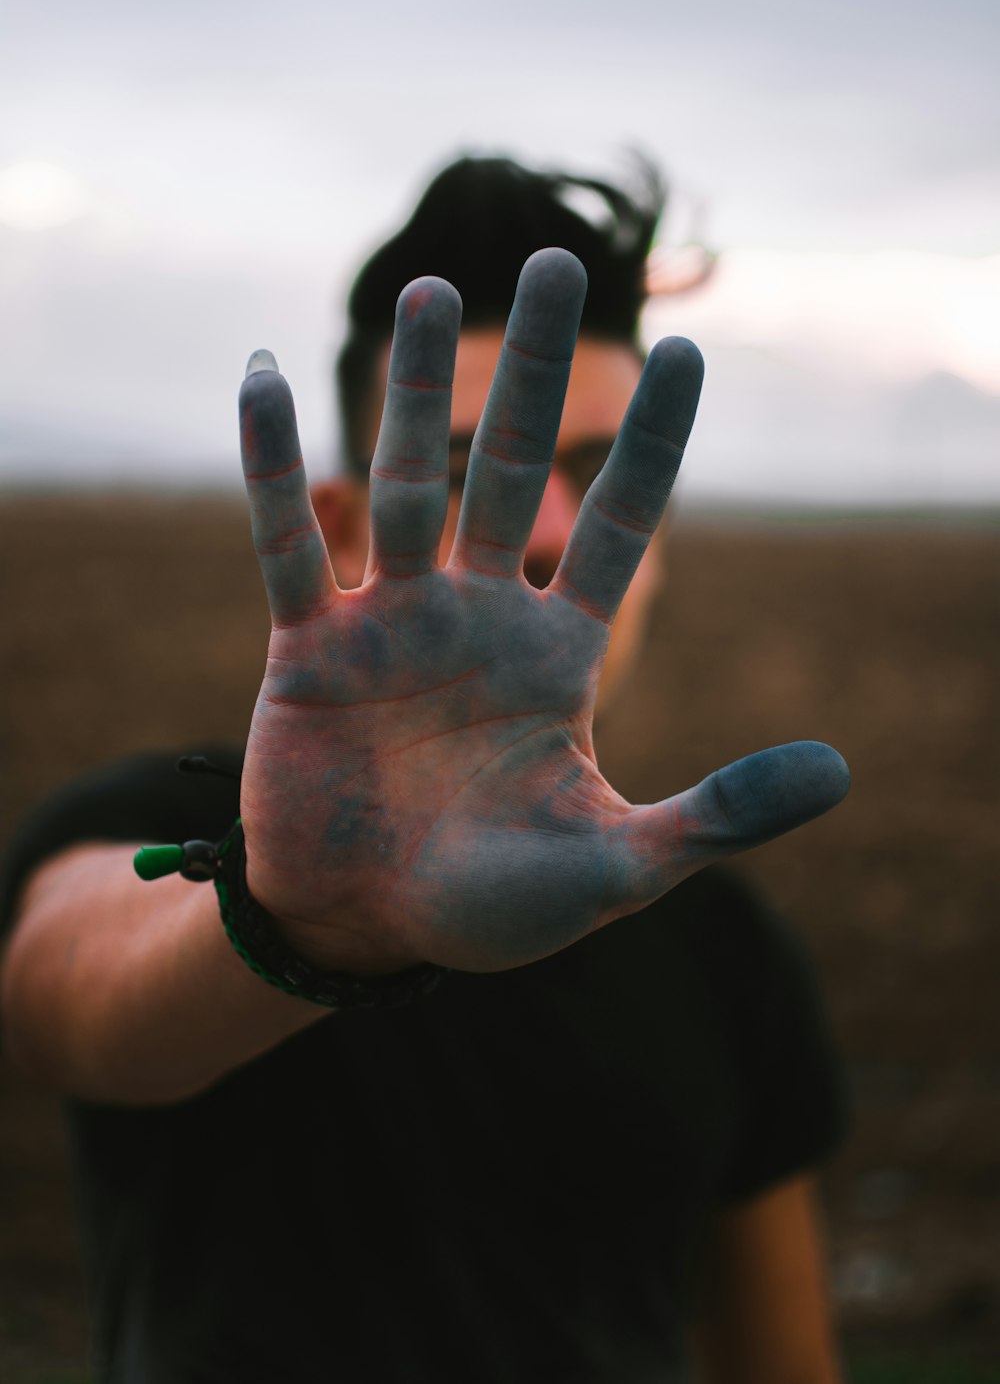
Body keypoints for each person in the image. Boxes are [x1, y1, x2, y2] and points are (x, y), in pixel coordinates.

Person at [0, 155, 852, 1382]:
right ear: (348, 525)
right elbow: (67, 998)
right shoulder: (159, 826)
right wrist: (308, 926)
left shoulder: (719, 941)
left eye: (606, 474)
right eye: (477, 472)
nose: (556, 526)